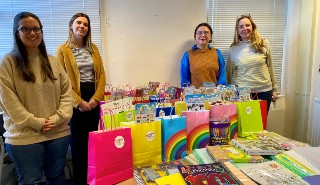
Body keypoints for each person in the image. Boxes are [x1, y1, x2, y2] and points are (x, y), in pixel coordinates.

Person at [0, 12, 73, 184]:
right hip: (24, 137)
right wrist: (36, 122)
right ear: (16, 32)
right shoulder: (7, 63)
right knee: (30, 181)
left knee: (57, 177)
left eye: (36, 29)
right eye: (25, 29)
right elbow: (8, 101)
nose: (32, 33)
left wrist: (58, 118)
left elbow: (66, 93)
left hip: (58, 133)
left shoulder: (53, 61)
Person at [56, 13, 106, 185]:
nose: (82, 26)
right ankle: (81, 181)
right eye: (78, 23)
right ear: (71, 25)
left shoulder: (94, 48)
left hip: (93, 98)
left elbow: (101, 76)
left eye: (85, 24)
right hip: (75, 100)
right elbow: (62, 81)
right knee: (78, 145)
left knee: (94, 143)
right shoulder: (63, 50)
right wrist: (78, 102)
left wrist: (96, 98)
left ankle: (94, 179)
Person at [226, 14, 278, 112]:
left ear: (253, 27)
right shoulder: (233, 49)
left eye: (247, 25)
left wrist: (275, 90)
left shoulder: (264, 43)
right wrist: (226, 92)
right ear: (237, 31)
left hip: (264, 92)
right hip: (242, 93)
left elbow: (270, 67)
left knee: (261, 125)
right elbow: (229, 72)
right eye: (241, 26)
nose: (244, 28)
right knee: (245, 125)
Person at [180, 22, 226, 88]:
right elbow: (184, 80)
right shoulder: (187, 55)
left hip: (214, 95)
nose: (203, 35)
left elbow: (222, 75)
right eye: (199, 32)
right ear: (195, 36)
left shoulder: (217, 53)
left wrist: (219, 88)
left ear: (210, 36)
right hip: (194, 96)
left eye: (206, 32)